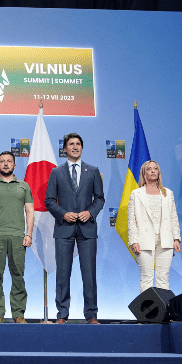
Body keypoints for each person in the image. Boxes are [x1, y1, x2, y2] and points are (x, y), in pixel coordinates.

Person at [45, 133, 105, 324]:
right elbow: (48, 201)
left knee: (89, 274)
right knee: (62, 273)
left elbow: (100, 199)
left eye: (78, 144)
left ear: (82, 147)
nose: (75, 147)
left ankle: (91, 314)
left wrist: (90, 212)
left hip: (87, 229)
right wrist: (63, 214)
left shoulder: (93, 170)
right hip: (64, 229)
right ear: (65, 149)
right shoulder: (56, 172)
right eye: (71, 144)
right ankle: (62, 314)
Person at [0, 151, 35, 323]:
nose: (5, 164)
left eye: (9, 161)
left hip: (18, 236)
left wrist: (28, 234)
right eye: (2, 161)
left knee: (18, 274)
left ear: (14, 165)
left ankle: (18, 314)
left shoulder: (24, 186)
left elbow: (30, 211)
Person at [127, 160, 181, 293]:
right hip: (144, 240)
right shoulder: (136, 193)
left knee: (163, 278)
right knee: (146, 278)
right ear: (144, 173)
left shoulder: (168, 193)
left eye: (155, 168)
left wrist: (176, 238)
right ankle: (146, 312)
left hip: (166, 240)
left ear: (159, 172)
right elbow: (131, 219)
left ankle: (164, 311)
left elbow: (174, 216)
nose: (152, 171)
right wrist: (134, 240)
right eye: (149, 169)